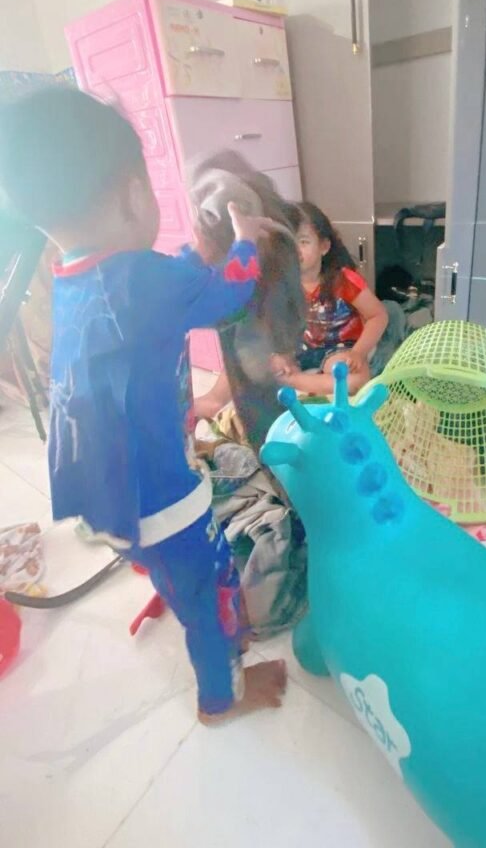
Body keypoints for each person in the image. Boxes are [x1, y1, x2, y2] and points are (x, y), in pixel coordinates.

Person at [0, 87, 287, 725]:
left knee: (170, 566)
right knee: (212, 590)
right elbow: (229, 294)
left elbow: (163, 282)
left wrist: (194, 256)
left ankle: (163, 574)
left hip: (105, 497)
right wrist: (243, 239)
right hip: (161, 496)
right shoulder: (147, 281)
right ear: (135, 194)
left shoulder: (76, 276)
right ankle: (221, 698)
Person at [194, 201, 388, 416]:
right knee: (247, 351)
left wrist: (358, 353)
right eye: (288, 243)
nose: (295, 251)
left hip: (337, 348)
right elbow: (272, 324)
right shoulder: (279, 282)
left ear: (324, 246)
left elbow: (378, 315)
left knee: (353, 379)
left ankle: (293, 380)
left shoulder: (343, 280)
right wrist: (281, 353)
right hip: (297, 348)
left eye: (303, 242)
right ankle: (214, 399)